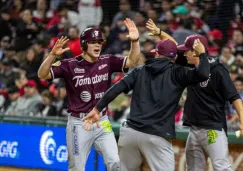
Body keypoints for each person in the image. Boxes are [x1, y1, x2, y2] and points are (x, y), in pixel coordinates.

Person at [83, 38, 210, 171]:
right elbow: (203, 73)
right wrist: (202, 54)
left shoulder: (139, 71)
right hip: (157, 135)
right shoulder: (179, 72)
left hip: (130, 133)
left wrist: (97, 109)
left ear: (156, 54)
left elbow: (116, 89)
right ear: (175, 57)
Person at [38, 18, 140, 171]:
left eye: (99, 42)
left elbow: (133, 61)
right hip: (79, 123)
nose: (98, 45)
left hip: (102, 120)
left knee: (115, 163)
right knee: (77, 168)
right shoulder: (69, 65)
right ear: (84, 45)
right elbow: (42, 74)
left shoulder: (108, 61)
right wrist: (52, 55)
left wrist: (135, 41)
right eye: (93, 42)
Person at [147, 18, 243, 171]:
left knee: (221, 167)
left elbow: (235, 97)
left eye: (187, 50)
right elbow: (173, 47)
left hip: (213, 130)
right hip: (194, 130)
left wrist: (242, 121)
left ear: (196, 52)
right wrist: (159, 33)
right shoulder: (189, 63)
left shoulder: (218, 70)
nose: (184, 53)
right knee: (193, 169)